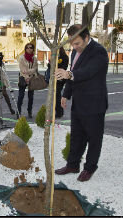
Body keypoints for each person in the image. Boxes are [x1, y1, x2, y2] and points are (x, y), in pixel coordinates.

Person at [54, 24, 109, 182]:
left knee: (94, 138)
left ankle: (89, 168)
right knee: (77, 137)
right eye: (72, 44)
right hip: (78, 103)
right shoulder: (75, 52)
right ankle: (72, 164)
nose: (75, 47)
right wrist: (66, 94)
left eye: (77, 43)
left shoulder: (99, 52)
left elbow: (87, 72)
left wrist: (68, 74)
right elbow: (74, 71)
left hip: (94, 104)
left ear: (86, 38)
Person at [45, 47, 69, 118]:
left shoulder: (64, 57)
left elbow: (64, 67)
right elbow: (49, 66)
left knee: (57, 95)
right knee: (56, 95)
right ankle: (59, 111)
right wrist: (51, 63)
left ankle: (59, 112)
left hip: (60, 78)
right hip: (54, 77)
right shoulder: (54, 56)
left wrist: (56, 66)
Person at [17, 43, 38, 118]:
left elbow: (35, 69)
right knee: (21, 96)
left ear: (33, 49)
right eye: (27, 48)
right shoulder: (21, 57)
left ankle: (29, 111)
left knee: (31, 97)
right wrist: (26, 77)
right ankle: (18, 111)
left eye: (31, 47)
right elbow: (22, 70)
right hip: (23, 78)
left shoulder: (34, 58)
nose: (29, 49)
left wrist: (29, 72)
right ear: (25, 49)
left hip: (32, 78)